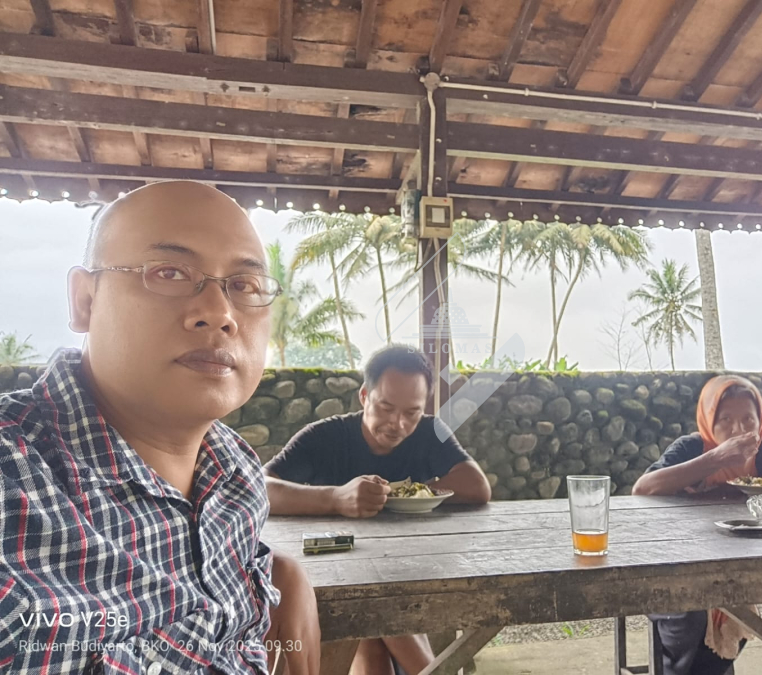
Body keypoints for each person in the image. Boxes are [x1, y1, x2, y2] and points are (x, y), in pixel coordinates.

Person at [0, 181, 319, 675]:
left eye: (244, 286)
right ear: (85, 300)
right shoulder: (15, 486)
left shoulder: (234, 473)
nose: (219, 314)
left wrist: (281, 573)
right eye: (168, 272)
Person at [263, 344, 491, 675]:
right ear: (364, 396)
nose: (398, 423)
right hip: (332, 579)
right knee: (374, 623)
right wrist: (336, 498)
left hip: (407, 576)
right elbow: (260, 488)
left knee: (379, 625)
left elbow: (477, 486)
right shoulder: (326, 437)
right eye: (386, 407)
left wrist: (412, 493)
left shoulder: (430, 432)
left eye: (412, 412)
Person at [632, 375, 762, 675]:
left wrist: (745, 485)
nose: (739, 430)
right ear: (709, 420)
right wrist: (716, 459)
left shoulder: (761, 451)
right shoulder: (692, 447)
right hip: (672, 567)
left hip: (733, 568)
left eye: (748, 419)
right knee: (691, 616)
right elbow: (642, 489)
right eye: (726, 420)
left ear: (760, 421)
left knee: (740, 609)